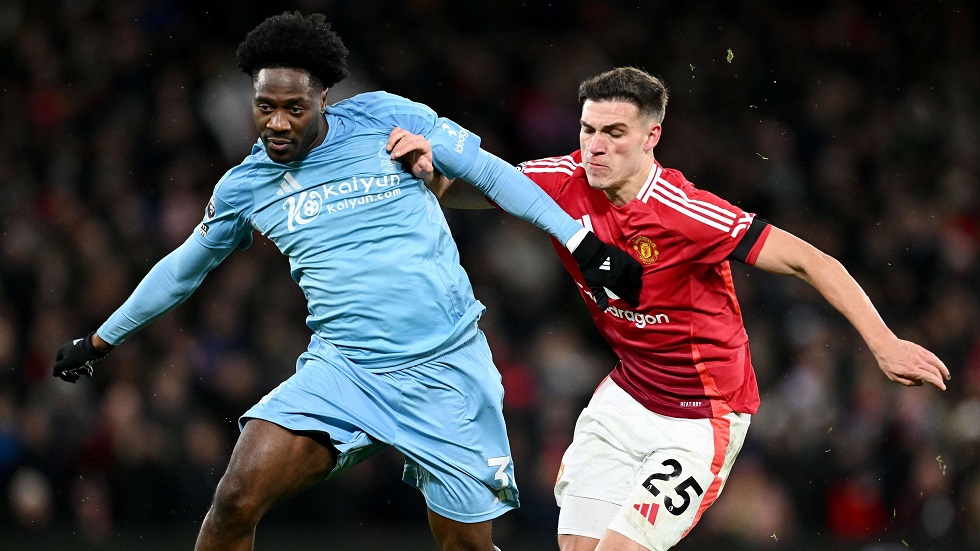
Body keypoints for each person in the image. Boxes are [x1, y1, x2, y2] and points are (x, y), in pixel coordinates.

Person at [50, 13, 643, 551]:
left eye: (294, 108)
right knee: (234, 501)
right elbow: (183, 268)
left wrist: (581, 243)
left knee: (465, 546)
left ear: (324, 97)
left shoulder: (385, 117)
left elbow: (490, 173)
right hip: (345, 371)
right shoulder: (244, 186)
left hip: (446, 370)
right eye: (264, 107)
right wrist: (101, 339)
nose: (277, 123)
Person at [415, 66, 951, 551]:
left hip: (701, 418)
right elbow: (467, 189)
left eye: (615, 133)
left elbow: (811, 261)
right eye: (588, 130)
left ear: (652, 137)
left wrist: (884, 342)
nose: (596, 147)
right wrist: (424, 172)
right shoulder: (560, 181)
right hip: (626, 398)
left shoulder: (687, 212)